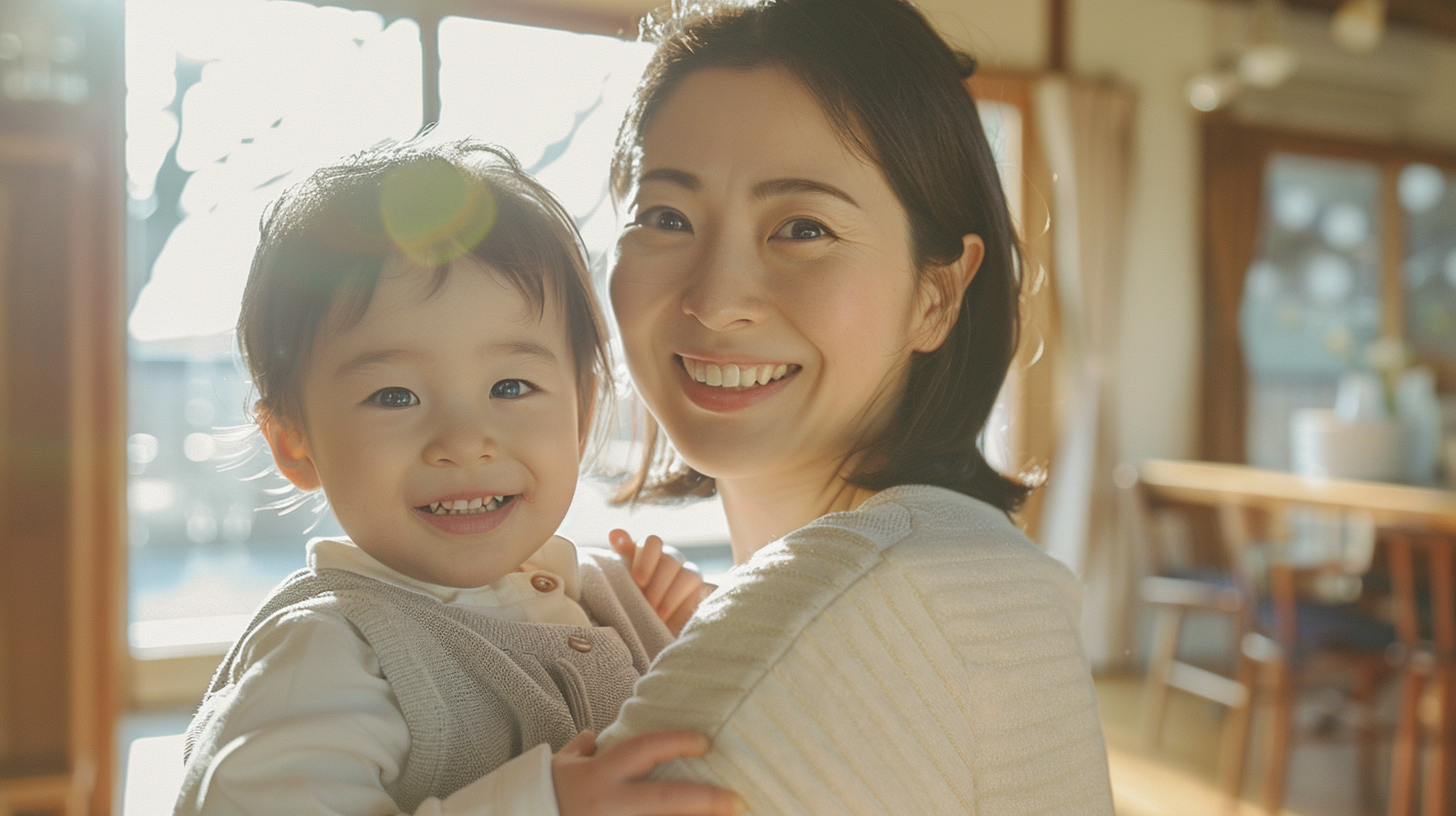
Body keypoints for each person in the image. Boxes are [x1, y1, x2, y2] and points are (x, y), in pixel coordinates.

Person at [599, 0, 1115, 812]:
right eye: (667, 217)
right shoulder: (975, 562)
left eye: (803, 227)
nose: (717, 298)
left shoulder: (806, 630)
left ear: (936, 295)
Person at [174, 140, 743, 816]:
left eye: (510, 385)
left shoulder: (613, 599)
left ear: (583, 413)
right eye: (395, 397)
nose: (464, 441)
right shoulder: (325, 656)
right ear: (295, 442)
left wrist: (700, 640)